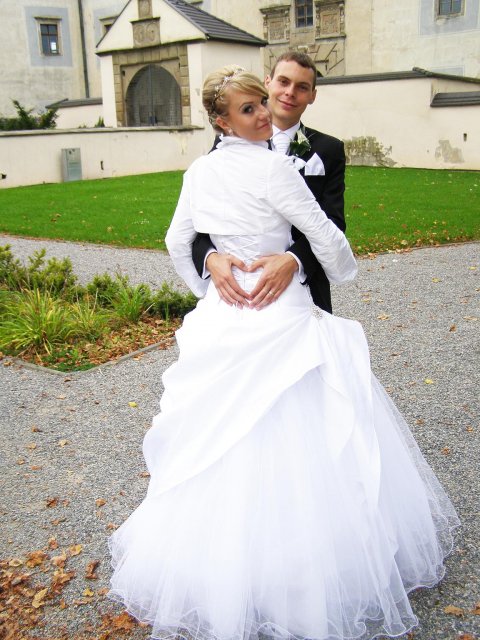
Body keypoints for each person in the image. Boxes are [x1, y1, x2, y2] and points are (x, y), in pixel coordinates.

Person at [109, 67, 458, 640]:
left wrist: (208, 286)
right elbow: (328, 238)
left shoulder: (199, 171)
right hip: (277, 311)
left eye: (260, 104)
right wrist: (336, 268)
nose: (264, 114)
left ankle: (226, 574)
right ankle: (307, 576)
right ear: (221, 120)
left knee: (226, 434)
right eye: (250, 108)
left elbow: (176, 241)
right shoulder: (273, 167)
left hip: (227, 314)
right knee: (303, 430)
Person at [192, 52, 346, 314]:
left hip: (304, 288)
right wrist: (211, 258)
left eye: (302, 87)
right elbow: (204, 214)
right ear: (267, 83)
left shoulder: (328, 149)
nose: (290, 93)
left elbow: (334, 222)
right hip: (237, 294)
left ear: (312, 95)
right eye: (283, 82)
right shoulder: (226, 144)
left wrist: (294, 260)